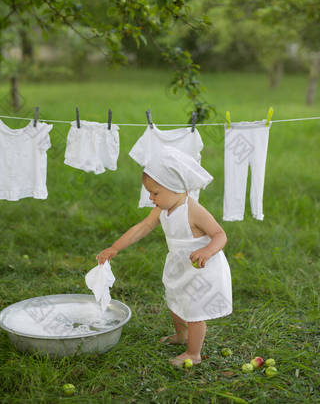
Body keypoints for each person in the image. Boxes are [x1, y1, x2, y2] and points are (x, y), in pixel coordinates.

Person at [96, 146, 233, 367]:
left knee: (194, 311)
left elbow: (219, 234)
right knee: (175, 301)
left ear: (176, 188)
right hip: (179, 265)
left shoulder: (193, 210)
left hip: (201, 267)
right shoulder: (161, 209)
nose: (150, 198)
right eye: (149, 192)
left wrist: (207, 251)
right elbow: (142, 227)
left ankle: (193, 353)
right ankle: (181, 336)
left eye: (155, 193)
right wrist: (115, 247)